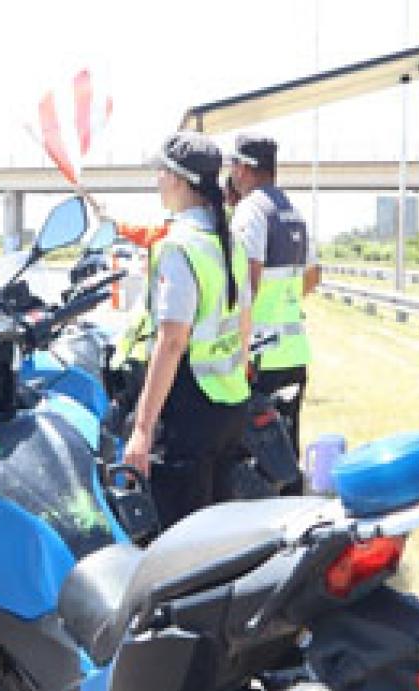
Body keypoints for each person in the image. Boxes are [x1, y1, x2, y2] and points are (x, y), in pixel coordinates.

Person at [121, 131, 252, 529]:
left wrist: (142, 431)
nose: (157, 180)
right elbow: (244, 324)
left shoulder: (179, 246)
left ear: (177, 178)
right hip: (230, 405)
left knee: (179, 547)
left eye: (160, 172)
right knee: (216, 539)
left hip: (187, 414)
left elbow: (173, 341)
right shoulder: (229, 241)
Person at [227, 135, 318, 488]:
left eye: (233, 164)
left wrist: (241, 345)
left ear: (246, 167)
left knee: (257, 460)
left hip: (260, 355)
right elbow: (313, 276)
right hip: (294, 352)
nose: (231, 172)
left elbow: (245, 283)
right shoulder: (292, 211)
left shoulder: (250, 211)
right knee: (287, 451)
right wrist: (285, 303)